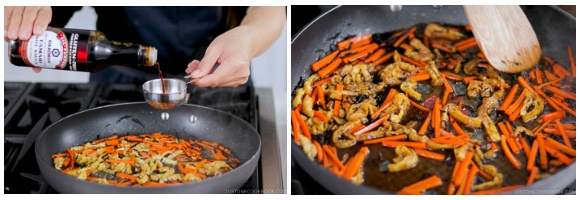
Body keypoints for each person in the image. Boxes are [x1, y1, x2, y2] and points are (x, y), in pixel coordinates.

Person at [4, 6, 286, 87]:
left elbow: (271, 8)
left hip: (220, 79)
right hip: (114, 84)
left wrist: (246, 39)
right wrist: (30, 12)